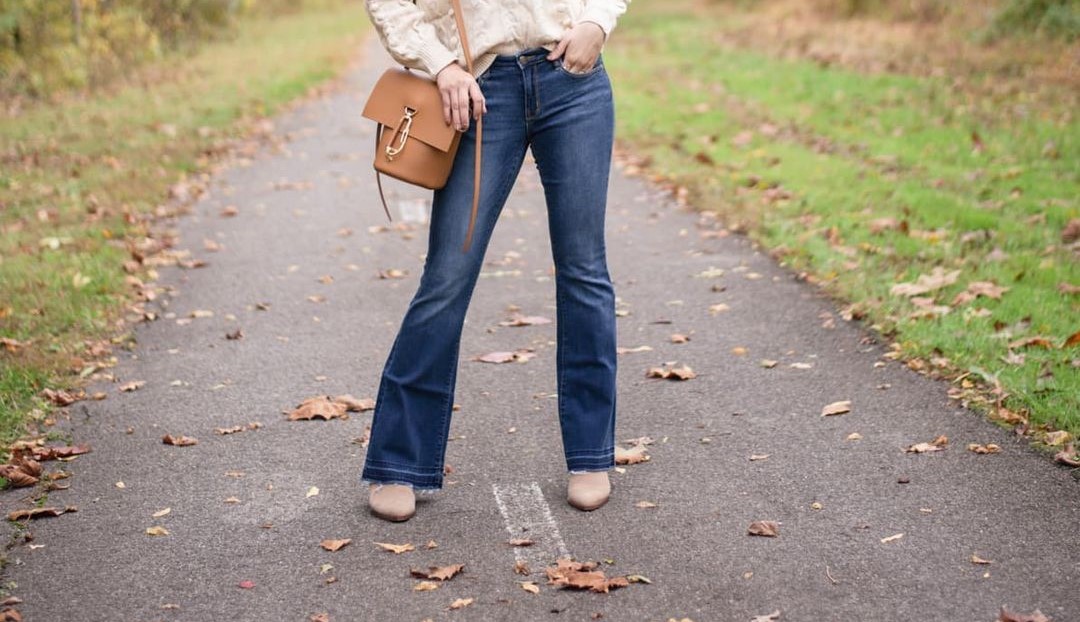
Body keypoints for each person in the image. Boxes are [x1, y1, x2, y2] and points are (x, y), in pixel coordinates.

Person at [361, 0, 630, 522]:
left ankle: (591, 455)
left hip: (572, 81)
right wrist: (441, 65)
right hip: (477, 91)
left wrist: (597, 22)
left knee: (584, 272)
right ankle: (398, 461)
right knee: (447, 277)